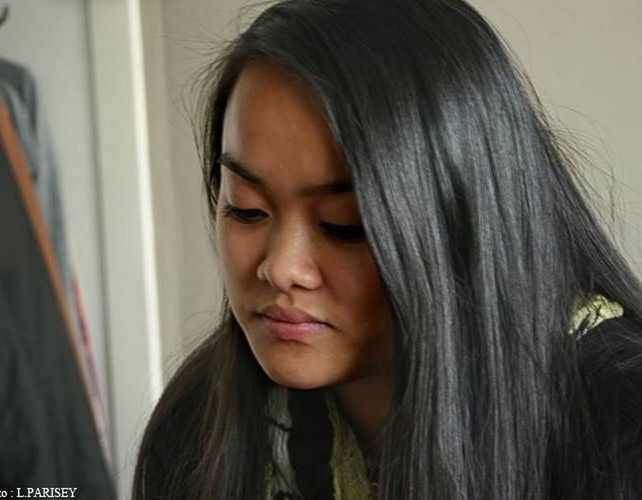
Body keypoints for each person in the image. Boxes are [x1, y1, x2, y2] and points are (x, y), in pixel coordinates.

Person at [132, 0, 642, 498]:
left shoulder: (620, 426)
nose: (281, 268)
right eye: (247, 209)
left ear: (462, 218)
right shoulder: (199, 426)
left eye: (343, 224)